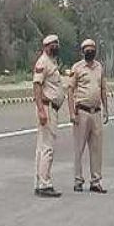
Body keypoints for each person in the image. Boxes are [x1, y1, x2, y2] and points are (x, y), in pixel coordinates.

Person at [69, 39, 109, 193]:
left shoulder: (99, 67)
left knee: (96, 149)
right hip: (82, 112)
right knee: (79, 148)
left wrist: (106, 109)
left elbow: (103, 89)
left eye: (92, 49)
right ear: (82, 51)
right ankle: (78, 180)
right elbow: (70, 90)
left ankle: (95, 181)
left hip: (96, 112)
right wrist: (72, 112)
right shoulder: (77, 68)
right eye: (87, 49)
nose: (90, 51)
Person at [33, 34, 65, 197]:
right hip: (47, 108)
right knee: (47, 148)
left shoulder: (51, 62)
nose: (56, 47)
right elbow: (37, 86)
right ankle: (45, 183)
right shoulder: (43, 62)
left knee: (42, 147)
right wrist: (40, 109)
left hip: (51, 108)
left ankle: (40, 182)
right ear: (46, 46)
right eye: (53, 45)